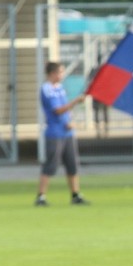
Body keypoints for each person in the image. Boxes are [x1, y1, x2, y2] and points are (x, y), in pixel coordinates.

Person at [36, 61, 88, 206]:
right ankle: (41, 196)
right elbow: (57, 110)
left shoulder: (60, 88)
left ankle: (75, 194)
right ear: (52, 73)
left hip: (67, 133)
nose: (62, 75)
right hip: (55, 133)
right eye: (60, 72)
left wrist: (69, 121)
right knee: (51, 165)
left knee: (72, 164)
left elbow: (64, 111)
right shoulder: (47, 89)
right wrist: (76, 101)